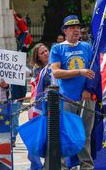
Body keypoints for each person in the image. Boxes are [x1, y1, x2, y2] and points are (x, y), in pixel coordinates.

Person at [50, 15, 95, 169]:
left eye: (78, 27)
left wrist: (88, 89)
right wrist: (79, 72)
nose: (77, 30)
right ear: (65, 31)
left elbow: (95, 69)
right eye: (72, 27)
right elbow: (56, 72)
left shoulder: (87, 47)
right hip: (66, 98)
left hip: (86, 97)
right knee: (65, 133)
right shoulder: (57, 48)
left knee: (85, 135)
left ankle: (86, 166)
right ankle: (62, 166)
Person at [28, 43, 51, 170]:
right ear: (38, 58)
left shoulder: (56, 64)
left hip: (54, 104)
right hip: (39, 106)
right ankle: (35, 165)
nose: (46, 54)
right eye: (42, 53)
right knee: (36, 137)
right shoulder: (38, 70)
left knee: (52, 136)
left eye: (46, 51)